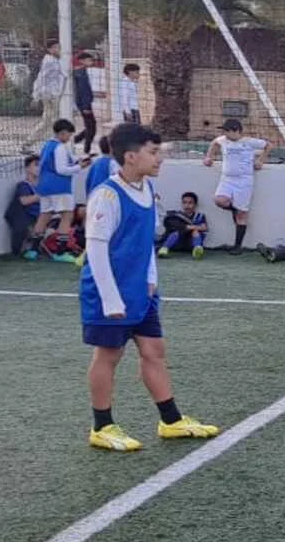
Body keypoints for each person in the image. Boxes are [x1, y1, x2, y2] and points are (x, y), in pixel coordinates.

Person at [79, 124, 222, 452]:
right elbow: (97, 249)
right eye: (153, 152)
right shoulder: (107, 195)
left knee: (154, 351)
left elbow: (144, 244)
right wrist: (111, 298)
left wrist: (150, 278)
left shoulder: (146, 190)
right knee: (109, 354)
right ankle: (101, 426)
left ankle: (170, 420)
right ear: (130, 157)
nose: (160, 159)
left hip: (141, 292)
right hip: (109, 294)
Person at [203, 119, 269, 254]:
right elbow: (214, 143)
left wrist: (260, 161)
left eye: (227, 131)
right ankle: (234, 209)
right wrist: (209, 157)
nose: (225, 134)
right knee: (219, 200)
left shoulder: (249, 142)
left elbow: (268, 145)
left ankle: (237, 246)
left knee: (242, 214)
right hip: (227, 179)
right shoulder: (223, 140)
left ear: (236, 131)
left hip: (244, 180)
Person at [33, 119, 88, 262]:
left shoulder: (47, 145)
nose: (69, 138)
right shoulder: (60, 147)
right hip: (59, 186)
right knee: (67, 215)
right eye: (69, 135)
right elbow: (61, 169)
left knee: (44, 215)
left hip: (45, 186)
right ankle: (60, 252)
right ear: (63, 133)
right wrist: (79, 167)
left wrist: (77, 160)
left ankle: (32, 250)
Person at [5, 156, 41, 260]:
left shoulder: (41, 185)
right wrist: (42, 195)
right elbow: (24, 201)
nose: (39, 168)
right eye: (36, 165)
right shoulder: (24, 185)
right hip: (25, 217)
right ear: (27, 168)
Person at [31, 40, 67, 144]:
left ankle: (32, 142)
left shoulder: (55, 60)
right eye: (55, 47)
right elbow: (41, 78)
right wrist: (36, 95)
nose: (57, 49)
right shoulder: (49, 61)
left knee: (50, 120)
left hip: (54, 94)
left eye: (58, 47)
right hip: (49, 95)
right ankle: (32, 142)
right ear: (50, 50)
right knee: (50, 120)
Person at [159, 192, 209, 259]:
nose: (187, 205)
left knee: (195, 231)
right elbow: (176, 226)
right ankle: (164, 249)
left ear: (195, 204)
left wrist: (188, 228)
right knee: (177, 231)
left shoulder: (200, 216)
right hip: (176, 243)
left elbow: (204, 228)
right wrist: (190, 227)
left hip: (190, 244)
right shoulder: (176, 215)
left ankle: (197, 250)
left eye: (190, 203)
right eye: (184, 202)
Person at [71, 52, 100, 156]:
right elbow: (83, 90)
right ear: (82, 61)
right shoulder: (80, 73)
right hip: (84, 104)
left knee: (90, 126)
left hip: (84, 103)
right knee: (91, 127)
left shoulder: (80, 71)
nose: (91, 62)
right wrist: (86, 106)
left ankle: (76, 140)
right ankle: (86, 149)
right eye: (89, 60)